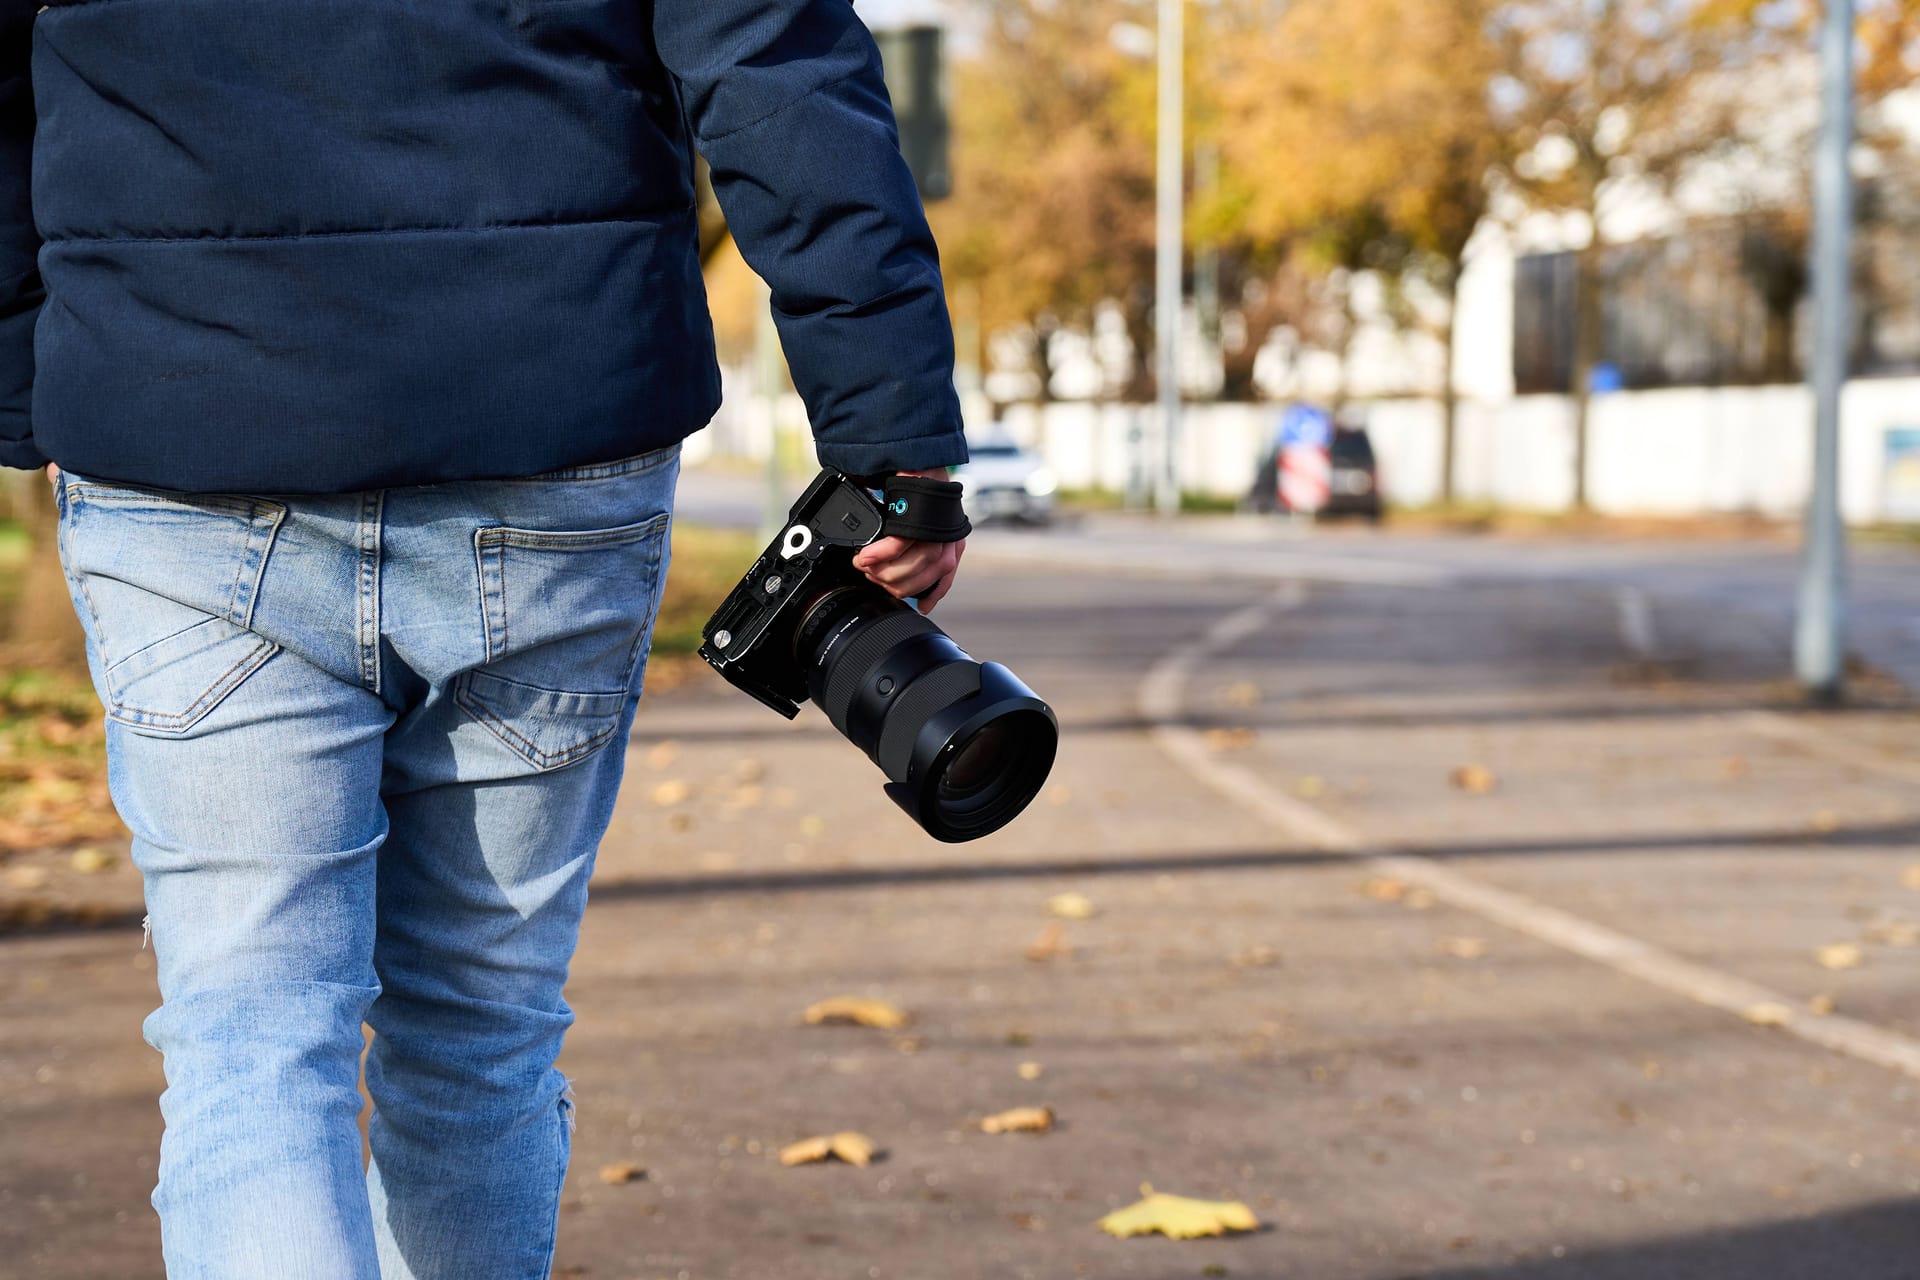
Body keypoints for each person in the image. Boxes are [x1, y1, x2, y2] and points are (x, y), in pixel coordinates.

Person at [0, 1, 967, 1275]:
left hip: (180, 423)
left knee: (249, 1039)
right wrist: (891, 433)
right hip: (547, 438)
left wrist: (34, 376)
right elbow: (771, 55)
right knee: (478, 1033)